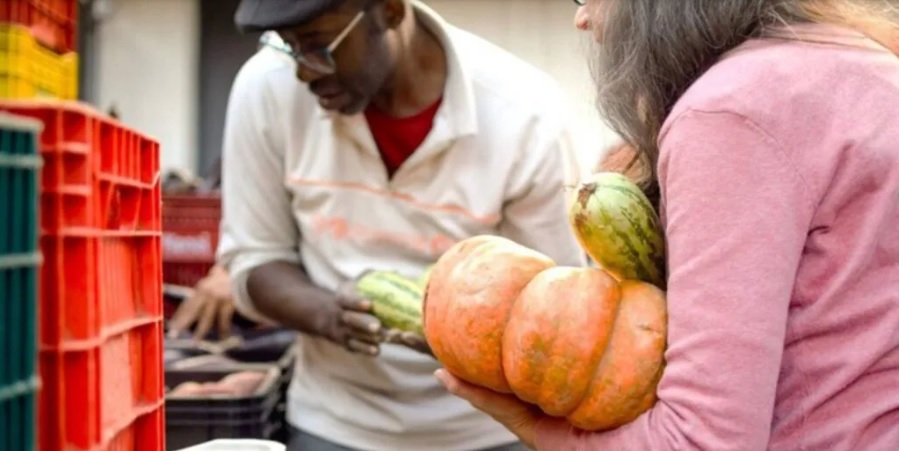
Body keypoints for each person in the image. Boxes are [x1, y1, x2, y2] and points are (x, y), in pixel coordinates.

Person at [437, 0, 899, 450]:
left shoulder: (732, 112)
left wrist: (538, 432)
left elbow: (702, 440)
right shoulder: (869, 61)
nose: (581, 17)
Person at [217, 0, 588, 450]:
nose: (304, 72)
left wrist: (459, 333)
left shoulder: (526, 113)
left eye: (318, 46)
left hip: (488, 430)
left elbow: (556, 298)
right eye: (289, 47)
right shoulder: (266, 87)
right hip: (334, 423)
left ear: (390, 11)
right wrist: (326, 313)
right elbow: (255, 259)